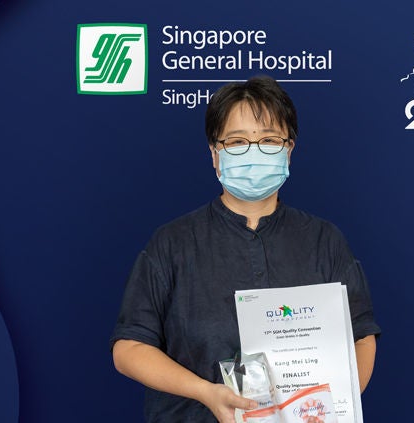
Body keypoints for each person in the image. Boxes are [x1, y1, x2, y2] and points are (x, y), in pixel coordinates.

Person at [110, 75, 381, 423]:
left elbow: (361, 338)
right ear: (214, 153)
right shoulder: (172, 243)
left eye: (269, 140)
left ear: (289, 150)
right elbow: (129, 349)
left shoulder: (324, 241)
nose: (254, 152)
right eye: (237, 141)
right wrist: (205, 392)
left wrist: (335, 406)